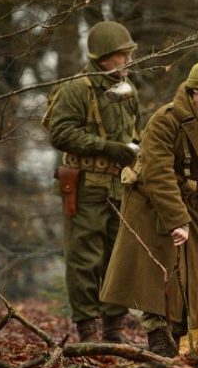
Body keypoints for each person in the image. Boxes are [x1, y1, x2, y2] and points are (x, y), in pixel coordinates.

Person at [100, 60, 198, 357]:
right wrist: (177, 221)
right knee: (154, 270)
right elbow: (157, 173)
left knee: (193, 268)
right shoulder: (166, 120)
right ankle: (157, 335)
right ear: (196, 92)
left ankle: (178, 335)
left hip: (189, 201)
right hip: (150, 202)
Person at [48, 21, 140, 343]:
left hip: (119, 184)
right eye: (122, 55)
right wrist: (106, 148)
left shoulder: (128, 90)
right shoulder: (77, 88)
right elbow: (59, 133)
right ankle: (88, 331)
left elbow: (134, 133)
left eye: (129, 54)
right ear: (103, 57)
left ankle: (114, 331)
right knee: (85, 257)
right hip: (85, 183)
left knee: (118, 258)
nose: (128, 61)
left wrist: (133, 154)